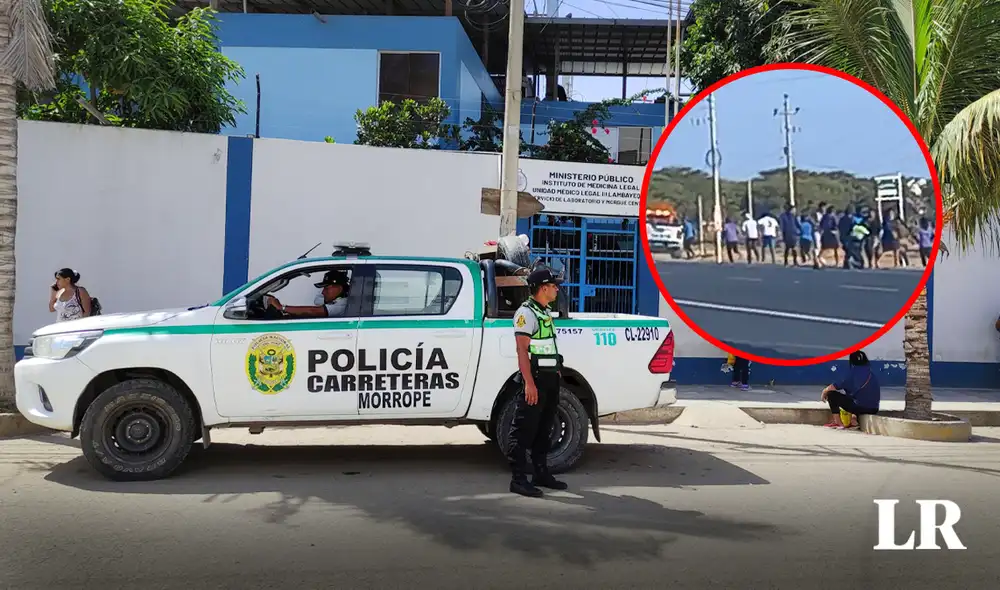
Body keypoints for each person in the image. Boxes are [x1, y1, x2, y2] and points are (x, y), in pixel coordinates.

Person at [507, 267, 568, 497]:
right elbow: (522, 351)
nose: (557, 289)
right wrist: (529, 383)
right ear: (543, 288)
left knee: (545, 429)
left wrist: (556, 370)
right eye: (554, 285)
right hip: (536, 380)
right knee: (523, 430)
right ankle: (518, 479)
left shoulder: (544, 311)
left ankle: (540, 473)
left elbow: (547, 346)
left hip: (550, 378)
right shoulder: (526, 314)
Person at [820, 350, 880, 429]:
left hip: (861, 408)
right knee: (857, 397)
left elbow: (835, 386)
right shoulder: (871, 373)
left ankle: (838, 422)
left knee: (831, 394)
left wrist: (825, 391)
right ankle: (854, 420)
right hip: (874, 409)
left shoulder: (852, 373)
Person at [264, 269, 350, 318]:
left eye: (327, 288)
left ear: (339, 289)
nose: (323, 292)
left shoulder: (344, 303)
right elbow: (318, 300)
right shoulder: (334, 299)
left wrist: (281, 307)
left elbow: (313, 311)